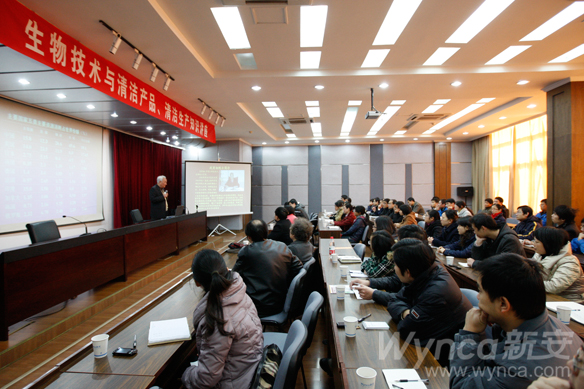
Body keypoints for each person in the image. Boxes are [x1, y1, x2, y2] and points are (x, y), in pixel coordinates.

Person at [449, 253, 583, 389]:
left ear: (503, 304)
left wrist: (469, 335)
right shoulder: (540, 321)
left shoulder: (520, 368)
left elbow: (460, 386)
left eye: (481, 291)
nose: (478, 297)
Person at [353, 239, 471, 365]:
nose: (394, 268)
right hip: (430, 339)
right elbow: (396, 298)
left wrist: (407, 311)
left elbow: (406, 329)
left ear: (408, 272)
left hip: (442, 356)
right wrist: (405, 312)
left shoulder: (436, 291)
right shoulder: (427, 270)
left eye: (396, 265)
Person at [182, 249, 263, 389]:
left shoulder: (216, 318)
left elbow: (206, 380)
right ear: (226, 269)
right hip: (248, 370)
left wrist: (185, 374)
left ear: (196, 282)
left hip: (236, 382)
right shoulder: (238, 291)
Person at [233, 220, 303, 317]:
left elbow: (234, 277)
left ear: (249, 237)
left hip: (256, 306)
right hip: (282, 303)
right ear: (267, 232)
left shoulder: (246, 252)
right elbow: (299, 267)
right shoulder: (282, 246)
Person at [532, 227, 584, 302]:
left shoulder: (570, 262)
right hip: (545, 297)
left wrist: (527, 283)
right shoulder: (540, 255)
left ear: (548, 244)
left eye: (537, 242)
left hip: (567, 302)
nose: (533, 244)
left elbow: (554, 287)